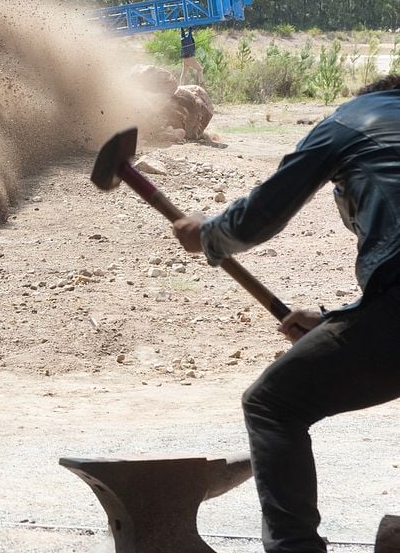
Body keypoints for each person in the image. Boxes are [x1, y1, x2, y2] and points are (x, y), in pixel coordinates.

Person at [171, 74, 400, 553]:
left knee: (272, 404)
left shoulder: (349, 122)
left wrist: (209, 235)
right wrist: (341, 319)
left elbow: (265, 212)